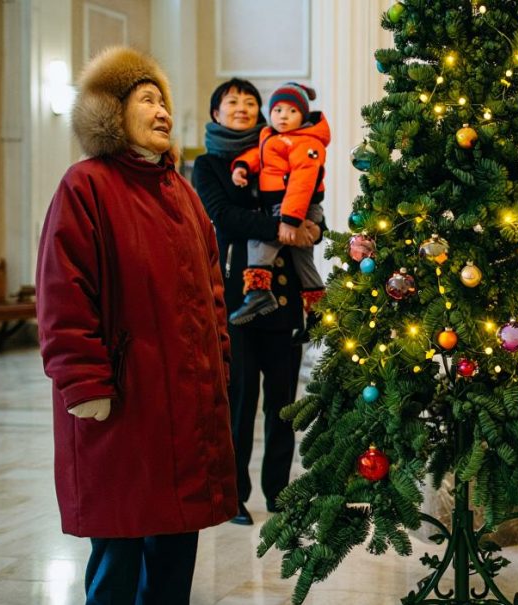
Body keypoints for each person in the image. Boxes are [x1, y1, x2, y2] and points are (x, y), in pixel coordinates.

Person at [36, 46, 237, 603]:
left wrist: (218, 363)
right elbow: (63, 295)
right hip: (124, 404)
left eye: (164, 101)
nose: (162, 111)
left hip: (184, 403)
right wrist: (84, 383)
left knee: (175, 545)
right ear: (112, 113)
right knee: (119, 548)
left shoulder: (183, 194)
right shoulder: (86, 187)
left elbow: (212, 292)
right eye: (147, 99)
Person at [193, 79, 322, 525]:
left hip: (283, 298)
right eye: (232, 102)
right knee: (240, 401)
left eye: (250, 102)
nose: (243, 109)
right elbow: (225, 218)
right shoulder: (207, 165)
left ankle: (279, 494)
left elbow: (308, 198)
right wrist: (281, 228)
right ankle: (235, 496)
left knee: (284, 404)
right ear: (216, 113)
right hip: (236, 300)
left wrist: (309, 228)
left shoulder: (280, 148)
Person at [227, 82, 330, 325]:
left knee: (261, 242)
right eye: (278, 110)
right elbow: (261, 156)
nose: (283, 115)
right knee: (303, 260)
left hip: (296, 206)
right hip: (286, 206)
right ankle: (318, 312)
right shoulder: (272, 136)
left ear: (303, 116)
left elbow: (302, 182)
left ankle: (258, 292)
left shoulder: (306, 142)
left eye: (292, 111)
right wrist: (242, 166)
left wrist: (290, 220)